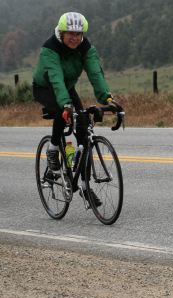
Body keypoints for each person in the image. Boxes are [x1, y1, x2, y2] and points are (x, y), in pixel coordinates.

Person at [32, 11, 117, 203]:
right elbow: (55, 78)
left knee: (84, 134)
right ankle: (53, 149)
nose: (75, 38)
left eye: (79, 34)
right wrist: (65, 105)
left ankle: (85, 188)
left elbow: (95, 73)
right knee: (61, 113)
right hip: (46, 88)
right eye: (70, 33)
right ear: (61, 33)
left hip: (67, 88)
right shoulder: (50, 49)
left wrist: (107, 99)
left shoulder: (85, 48)